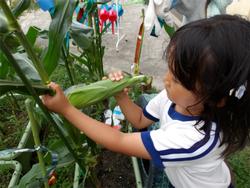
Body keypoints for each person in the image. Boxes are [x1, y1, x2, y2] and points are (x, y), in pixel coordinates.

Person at [42, 15, 250, 188]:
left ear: (217, 99)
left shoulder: (193, 140)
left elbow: (119, 141)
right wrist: (120, 94)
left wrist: (67, 109)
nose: (165, 80)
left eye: (177, 79)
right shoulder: (174, 99)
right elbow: (140, 120)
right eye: (170, 70)